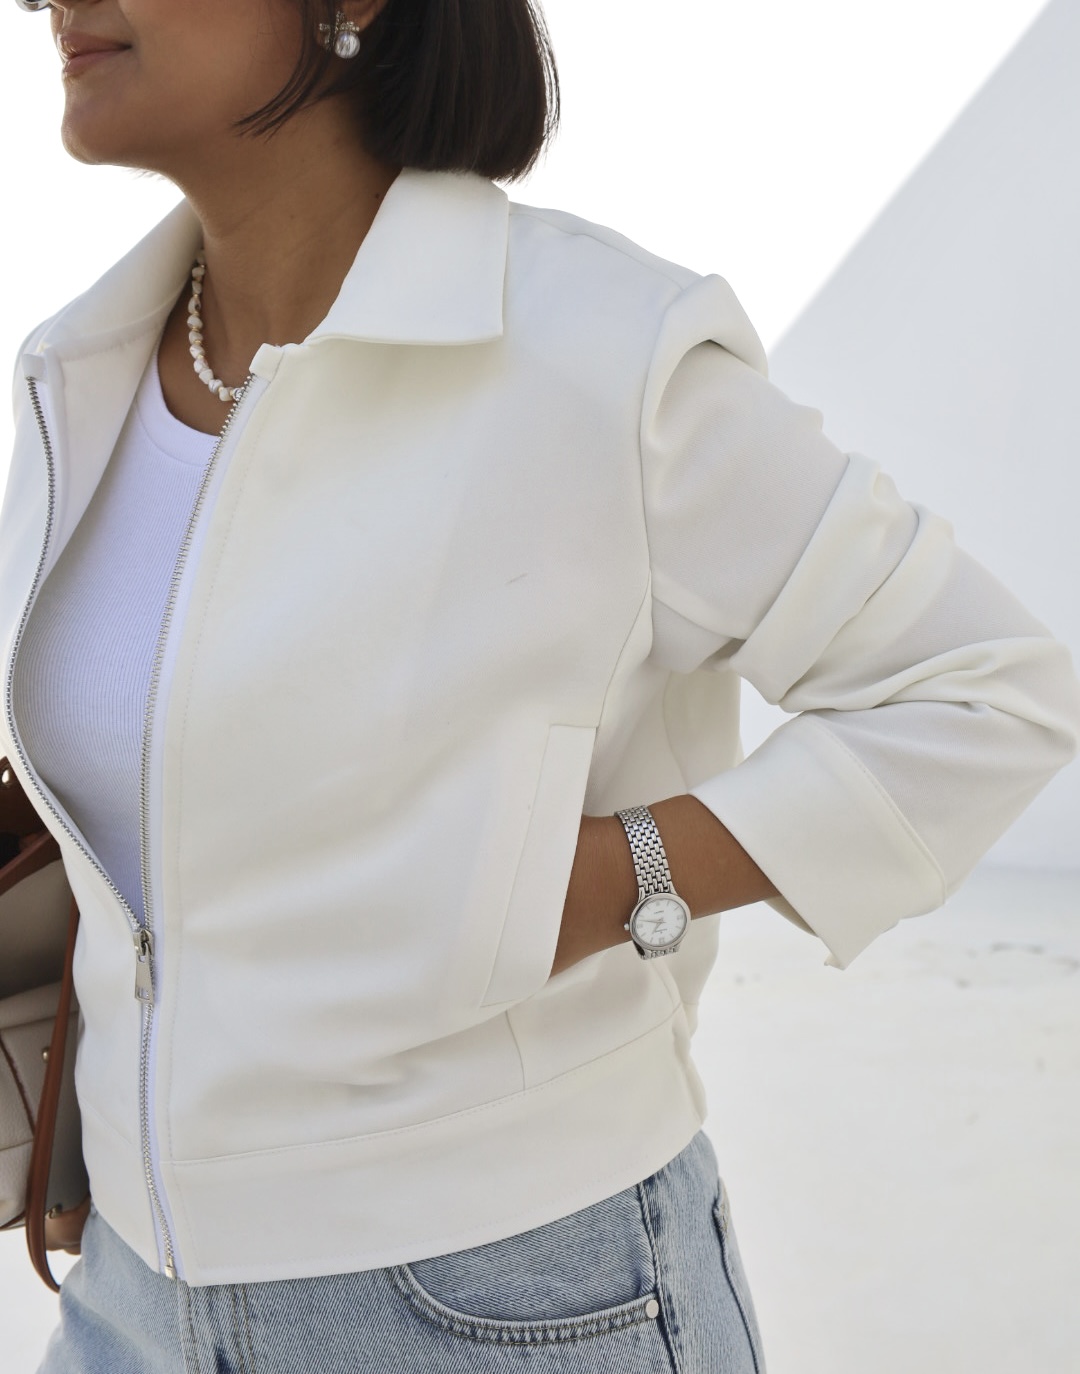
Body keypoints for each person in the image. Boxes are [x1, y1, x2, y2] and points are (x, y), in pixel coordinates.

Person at [3, 0, 1078, 1369]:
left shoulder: (595, 350)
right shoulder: (82, 370)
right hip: (127, 1298)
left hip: (504, 1297)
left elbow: (986, 688)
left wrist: (606, 880)